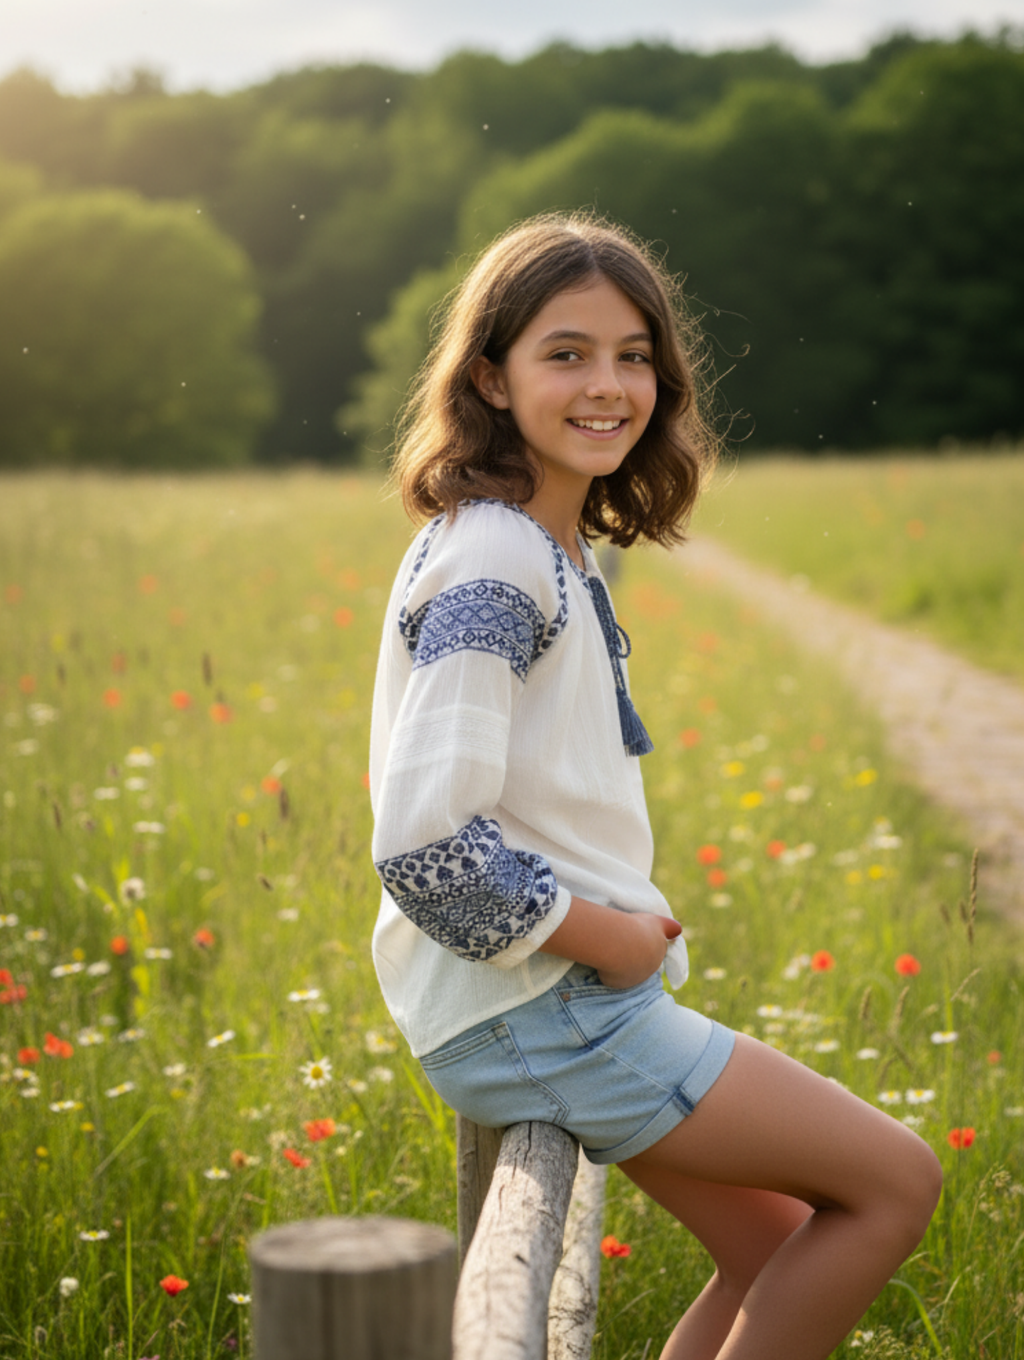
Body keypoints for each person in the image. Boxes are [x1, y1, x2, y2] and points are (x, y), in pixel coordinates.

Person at [368, 212, 941, 1360]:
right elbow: (425, 840)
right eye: (566, 352)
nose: (609, 384)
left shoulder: (540, 544)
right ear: (490, 374)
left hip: (547, 997)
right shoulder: (496, 556)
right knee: (896, 1180)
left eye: (634, 355)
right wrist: (605, 937)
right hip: (546, 1001)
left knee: (778, 1240)